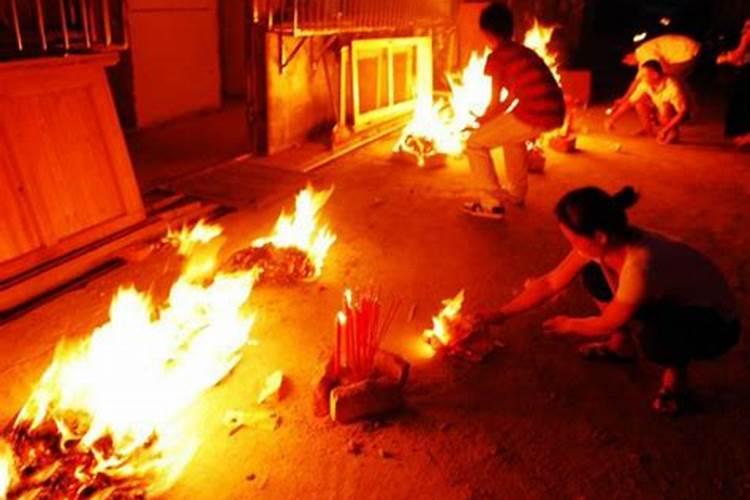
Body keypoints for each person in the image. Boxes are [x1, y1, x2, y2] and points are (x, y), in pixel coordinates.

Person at [473, 186, 739, 415]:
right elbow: (551, 282)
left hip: (715, 324)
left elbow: (610, 319)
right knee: (592, 272)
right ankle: (620, 347)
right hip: (668, 298)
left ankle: (675, 381)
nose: (572, 245)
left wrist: (570, 325)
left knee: (655, 337)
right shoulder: (608, 243)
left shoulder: (640, 263)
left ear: (599, 236)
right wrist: (499, 315)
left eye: (573, 238)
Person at [462, 2, 565, 220]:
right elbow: (511, 97)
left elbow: (495, 99)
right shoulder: (522, 51)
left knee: (474, 143)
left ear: (487, 32)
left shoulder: (497, 57)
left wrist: (484, 119)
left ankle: (491, 204)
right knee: (512, 139)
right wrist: (489, 119)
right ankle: (517, 195)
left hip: (534, 112)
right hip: (554, 111)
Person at [609, 34, 699, 137]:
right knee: (642, 99)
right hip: (685, 52)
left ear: (628, 56)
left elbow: (658, 68)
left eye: (627, 62)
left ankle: (677, 119)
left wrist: (661, 81)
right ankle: (651, 127)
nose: (629, 65)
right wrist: (624, 99)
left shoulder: (643, 53)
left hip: (687, 51)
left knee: (672, 84)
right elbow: (637, 82)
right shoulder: (644, 63)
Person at [605, 60, 689, 144]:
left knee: (665, 107)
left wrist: (664, 130)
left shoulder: (672, 87)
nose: (641, 77)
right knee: (640, 102)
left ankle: (673, 133)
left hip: (681, 112)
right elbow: (630, 102)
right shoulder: (645, 83)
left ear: (655, 75)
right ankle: (648, 130)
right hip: (660, 110)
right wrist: (612, 119)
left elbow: (682, 112)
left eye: (644, 75)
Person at [717, 18, 750, 148]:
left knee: (741, 103)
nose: (744, 28)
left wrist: (724, 58)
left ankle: (745, 136)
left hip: (747, 74)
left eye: (747, 25)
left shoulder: (747, 36)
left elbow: (738, 54)